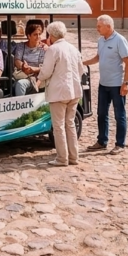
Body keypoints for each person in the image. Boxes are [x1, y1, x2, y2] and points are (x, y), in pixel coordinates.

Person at [82, 15, 128, 155]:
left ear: (108, 26)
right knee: (101, 114)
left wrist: (126, 83)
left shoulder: (119, 40)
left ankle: (120, 144)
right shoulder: (100, 40)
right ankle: (102, 141)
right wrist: (82, 63)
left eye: (99, 26)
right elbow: (98, 58)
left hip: (117, 85)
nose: (97, 28)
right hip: (103, 84)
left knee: (119, 115)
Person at [36, 21, 83, 167]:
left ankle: (62, 158)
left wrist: (39, 79)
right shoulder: (72, 48)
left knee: (59, 126)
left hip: (59, 92)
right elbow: (81, 69)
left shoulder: (53, 49)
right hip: (74, 91)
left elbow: (46, 71)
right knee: (70, 124)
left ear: (51, 35)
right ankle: (74, 156)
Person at [11, 21, 46, 96]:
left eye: (39, 34)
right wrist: (23, 66)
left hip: (40, 78)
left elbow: (47, 67)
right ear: (29, 36)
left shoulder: (44, 48)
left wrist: (34, 69)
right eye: (35, 35)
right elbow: (17, 60)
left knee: (21, 84)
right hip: (25, 76)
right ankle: (21, 105)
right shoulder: (21, 46)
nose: (38, 37)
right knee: (20, 83)